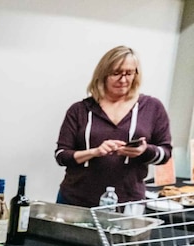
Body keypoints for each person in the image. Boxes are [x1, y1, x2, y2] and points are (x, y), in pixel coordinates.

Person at [54, 45, 172, 207]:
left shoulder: (152, 107)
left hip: (128, 203)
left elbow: (165, 153)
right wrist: (94, 152)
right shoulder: (80, 110)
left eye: (129, 73)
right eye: (116, 73)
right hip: (76, 199)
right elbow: (61, 155)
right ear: (103, 74)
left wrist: (144, 151)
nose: (123, 80)